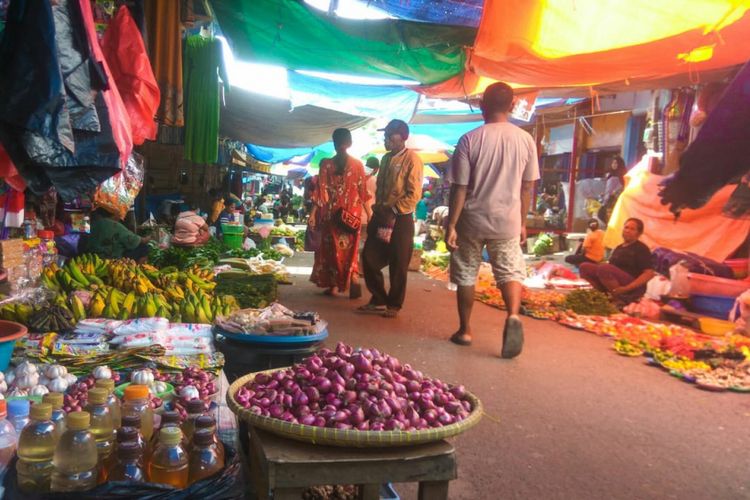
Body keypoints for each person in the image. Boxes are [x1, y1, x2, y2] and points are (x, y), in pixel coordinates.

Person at [445, 82, 539, 358]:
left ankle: (465, 330)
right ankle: (512, 315)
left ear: (483, 105)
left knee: (466, 272)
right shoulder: (525, 140)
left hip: (472, 219)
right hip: (507, 221)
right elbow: (526, 188)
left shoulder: (470, 139)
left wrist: (451, 224)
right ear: (511, 106)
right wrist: (522, 222)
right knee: (510, 271)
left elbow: (459, 187)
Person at [358, 119, 424, 318]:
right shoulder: (385, 159)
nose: (386, 139)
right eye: (385, 135)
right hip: (381, 216)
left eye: (390, 135)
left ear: (402, 137)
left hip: (400, 218)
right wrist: (378, 210)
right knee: (368, 257)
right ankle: (378, 298)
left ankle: (394, 304)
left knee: (399, 262)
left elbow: (414, 194)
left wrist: (394, 210)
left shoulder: (412, 159)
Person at [309, 128, 369, 298]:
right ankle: (354, 278)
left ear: (334, 143)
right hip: (352, 215)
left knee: (332, 250)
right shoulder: (357, 165)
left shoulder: (326, 164)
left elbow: (320, 193)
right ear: (349, 143)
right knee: (351, 250)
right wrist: (370, 215)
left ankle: (334, 285)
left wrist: (313, 214)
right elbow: (363, 194)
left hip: (333, 214)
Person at [579, 217, 655, 304]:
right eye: (626, 227)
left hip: (631, 286)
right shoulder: (619, 247)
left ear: (639, 233)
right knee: (584, 266)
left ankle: (619, 300)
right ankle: (601, 296)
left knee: (604, 268)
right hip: (616, 281)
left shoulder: (641, 248)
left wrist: (627, 288)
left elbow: (649, 273)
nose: (627, 230)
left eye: (632, 229)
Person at [598, 156, 627, 223]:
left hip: (615, 199)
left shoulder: (622, 175)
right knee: (603, 214)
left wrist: (615, 193)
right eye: (613, 163)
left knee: (610, 215)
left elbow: (622, 187)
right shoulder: (610, 174)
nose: (614, 165)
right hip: (607, 199)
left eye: (616, 163)